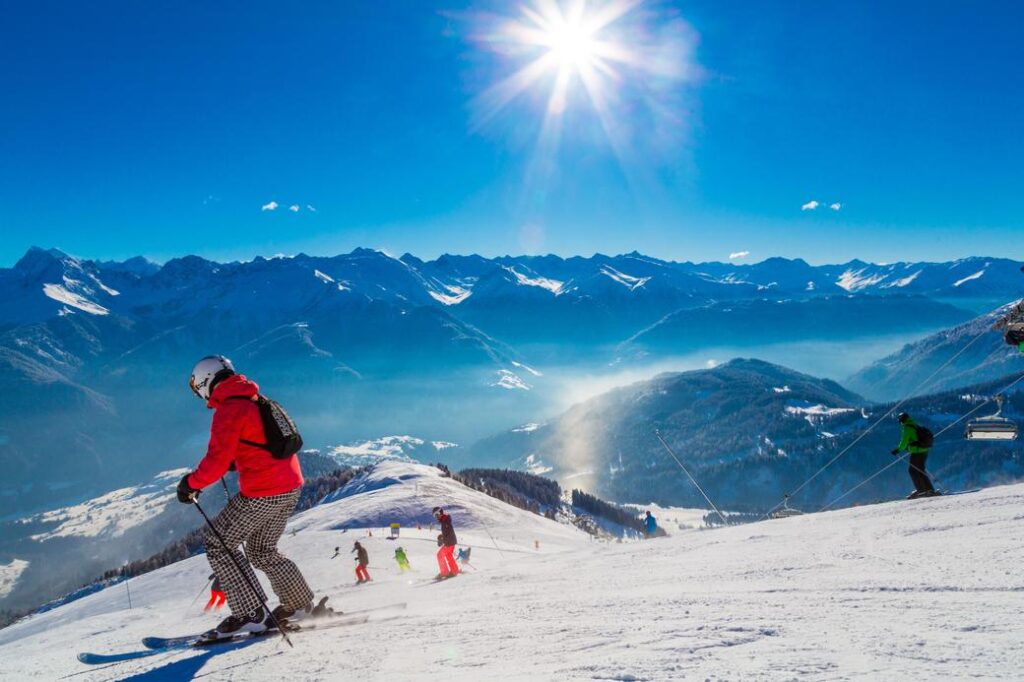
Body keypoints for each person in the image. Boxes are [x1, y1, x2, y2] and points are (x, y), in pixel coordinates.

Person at [176, 355, 315, 642]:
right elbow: (263, 445)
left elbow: (214, 462)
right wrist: (237, 462)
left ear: (205, 382)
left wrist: (190, 484)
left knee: (219, 543)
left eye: (196, 386)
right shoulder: (255, 398)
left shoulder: (230, 408)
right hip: (290, 486)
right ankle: (300, 604)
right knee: (262, 550)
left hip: (263, 492)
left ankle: (252, 614)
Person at [891, 412, 937, 499]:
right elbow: (914, 439)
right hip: (924, 451)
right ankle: (929, 490)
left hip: (917, 452)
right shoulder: (914, 424)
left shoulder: (907, 428)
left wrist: (897, 450)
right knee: (920, 470)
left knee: (912, 470)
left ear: (902, 420)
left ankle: (921, 491)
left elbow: (904, 442)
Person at [433, 507, 459, 578]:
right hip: (451, 541)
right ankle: (454, 570)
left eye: (436, 515)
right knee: (449, 555)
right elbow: (448, 532)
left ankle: (444, 572)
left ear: (440, 513)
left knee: (440, 555)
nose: (436, 517)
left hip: (449, 542)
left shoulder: (445, 521)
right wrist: (441, 537)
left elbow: (450, 532)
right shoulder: (445, 520)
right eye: (435, 516)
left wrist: (443, 540)